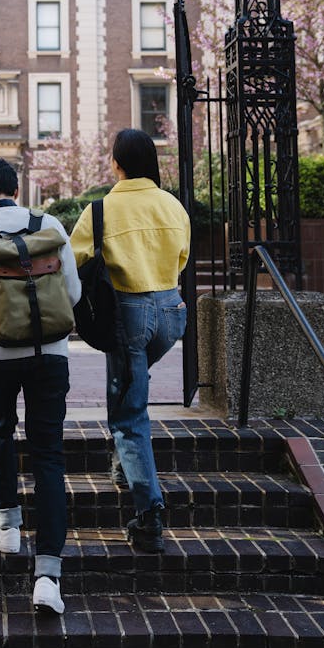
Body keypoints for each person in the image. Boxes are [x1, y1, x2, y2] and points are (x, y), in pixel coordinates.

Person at [0, 157, 81, 615]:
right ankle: (48, 575)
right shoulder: (52, 226)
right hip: (52, 354)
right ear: (18, 188)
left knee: (0, 428)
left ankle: (7, 527)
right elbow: (75, 295)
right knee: (48, 453)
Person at [70, 129, 190, 553]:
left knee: (129, 414)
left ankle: (149, 513)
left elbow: (74, 262)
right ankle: (124, 466)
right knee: (129, 386)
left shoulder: (100, 210)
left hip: (129, 313)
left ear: (116, 164)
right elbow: (182, 258)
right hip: (173, 313)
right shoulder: (173, 205)